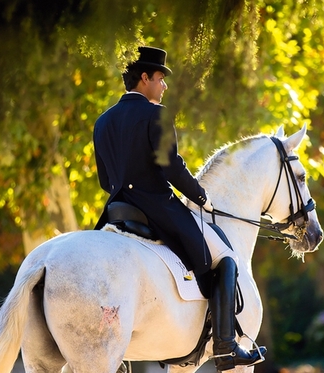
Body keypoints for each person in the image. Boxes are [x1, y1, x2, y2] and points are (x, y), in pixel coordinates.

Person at [93, 46, 266, 371]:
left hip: (116, 212)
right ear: (144, 78)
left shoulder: (103, 122)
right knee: (225, 258)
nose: (165, 86)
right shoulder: (156, 114)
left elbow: (106, 179)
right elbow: (171, 167)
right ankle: (227, 346)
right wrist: (200, 196)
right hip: (157, 210)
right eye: (160, 78)